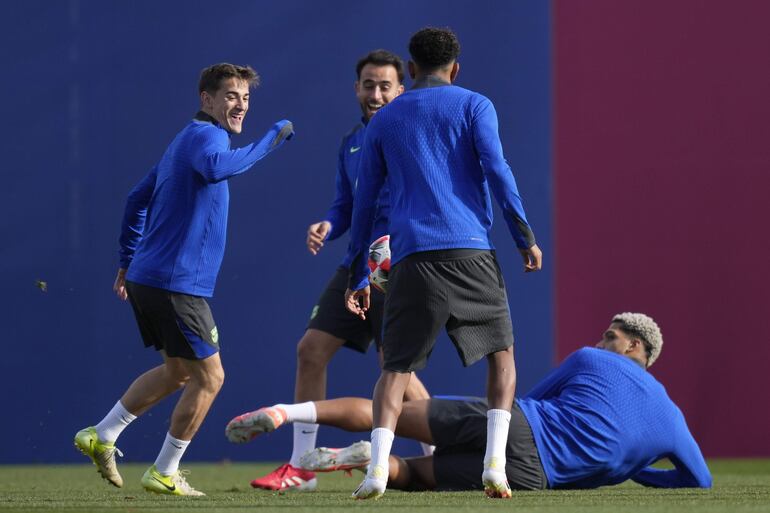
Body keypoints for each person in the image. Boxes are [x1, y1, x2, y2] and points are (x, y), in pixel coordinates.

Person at [73, 63, 294, 496]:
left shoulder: (183, 140)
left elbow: (137, 199)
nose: (240, 105)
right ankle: (164, 470)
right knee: (210, 378)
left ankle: (103, 432)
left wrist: (127, 260)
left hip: (149, 278)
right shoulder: (206, 137)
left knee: (177, 371)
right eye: (231, 95)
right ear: (206, 99)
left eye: (246, 98)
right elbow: (216, 169)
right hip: (176, 284)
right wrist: (272, 137)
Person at [343, 27, 542, 499]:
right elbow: (498, 171)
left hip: (412, 259)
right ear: (455, 68)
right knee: (502, 356)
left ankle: (375, 471)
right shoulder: (476, 104)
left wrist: (358, 275)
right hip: (471, 250)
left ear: (409, 71)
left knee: (395, 368)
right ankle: (495, 464)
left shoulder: (384, 120)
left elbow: (365, 203)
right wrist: (524, 236)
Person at [229, 49, 431, 493]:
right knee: (311, 350)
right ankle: (302, 467)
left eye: (385, 86)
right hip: (357, 262)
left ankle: (441, 455)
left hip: (394, 265)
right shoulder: (352, 142)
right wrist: (328, 223)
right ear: (356, 89)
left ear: (401, 89)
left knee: (396, 369)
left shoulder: (412, 139)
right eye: (368, 85)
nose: (376, 94)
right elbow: (346, 206)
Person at [228, 313, 713, 493]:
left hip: (521, 427)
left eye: (613, 336)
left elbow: (523, 401)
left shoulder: (591, 358)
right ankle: (357, 460)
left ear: (635, 348)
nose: (603, 340)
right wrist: (635, 469)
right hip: (533, 479)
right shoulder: (672, 420)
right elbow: (700, 480)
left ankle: (283, 413)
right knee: (415, 477)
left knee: (392, 415)